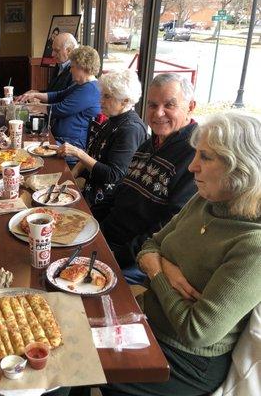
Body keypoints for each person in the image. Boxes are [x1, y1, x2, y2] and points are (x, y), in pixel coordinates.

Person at [101, 112, 261, 396]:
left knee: (84, 357)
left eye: (206, 158)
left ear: (241, 168)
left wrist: (158, 271)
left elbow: (197, 331)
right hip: (150, 317)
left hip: (188, 359)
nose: (191, 167)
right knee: (72, 325)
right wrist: (165, 270)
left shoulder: (253, 243)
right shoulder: (203, 200)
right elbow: (151, 245)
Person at [92, 73, 198, 284]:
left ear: (191, 106)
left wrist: (114, 257)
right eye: (152, 105)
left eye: (169, 105)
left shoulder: (196, 154)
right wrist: (91, 222)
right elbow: (121, 193)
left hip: (135, 259)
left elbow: (169, 227)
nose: (158, 114)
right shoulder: (149, 143)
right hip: (107, 238)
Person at [58, 69, 147, 207]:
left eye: (107, 96)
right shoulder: (112, 119)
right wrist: (70, 176)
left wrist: (78, 153)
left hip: (106, 202)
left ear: (125, 101)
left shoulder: (131, 129)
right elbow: (91, 154)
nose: (101, 101)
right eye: (102, 95)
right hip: (89, 187)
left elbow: (112, 176)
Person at [19, 45, 101, 165]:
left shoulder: (90, 89)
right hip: (60, 140)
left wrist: (31, 107)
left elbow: (60, 109)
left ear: (83, 67)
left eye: (72, 67)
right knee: (25, 146)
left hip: (70, 145)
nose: (70, 70)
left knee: (26, 152)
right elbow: (58, 95)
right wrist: (35, 95)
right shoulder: (81, 85)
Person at [16, 32, 78, 97]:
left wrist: (38, 96)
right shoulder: (59, 64)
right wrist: (37, 93)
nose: (52, 54)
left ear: (69, 51)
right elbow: (52, 91)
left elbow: (64, 99)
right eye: (53, 50)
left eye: (56, 50)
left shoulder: (76, 70)